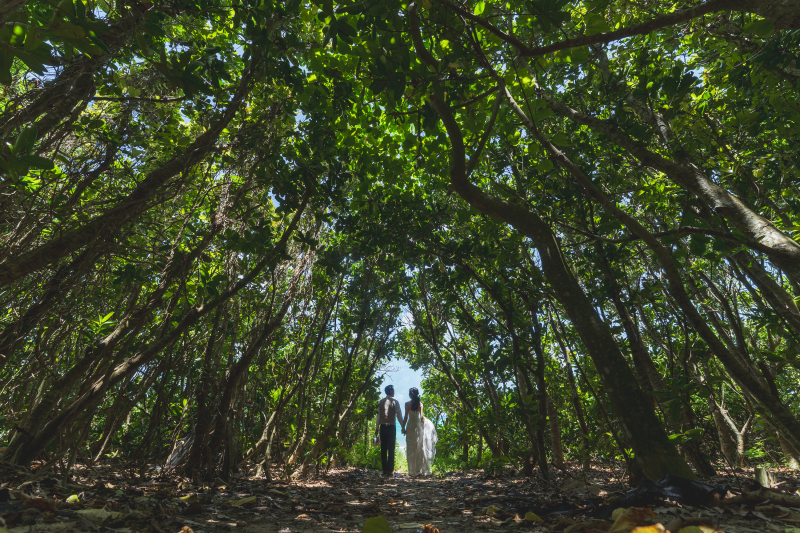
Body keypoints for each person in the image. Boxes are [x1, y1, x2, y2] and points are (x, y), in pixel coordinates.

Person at [402, 387, 437, 477]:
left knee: (411, 448)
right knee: (419, 447)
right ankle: (418, 469)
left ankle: (411, 470)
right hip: (418, 427)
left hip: (410, 426)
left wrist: (403, 427)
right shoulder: (420, 404)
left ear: (410, 395)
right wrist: (424, 426)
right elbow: (422, 417)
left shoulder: (407, 404)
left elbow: (406, 417)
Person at [375, 385, 404, 477]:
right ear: (391, 392)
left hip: (383, 427)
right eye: (393, 391)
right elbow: (399, 415)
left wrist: (377, 427)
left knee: (383, 448)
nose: (394, 392)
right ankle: (390, 470)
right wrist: (403, 426)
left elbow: (378, 416)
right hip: (391, 427)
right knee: (391, 448)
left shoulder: (381, 402)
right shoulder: (395, 402)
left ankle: (384, 469)